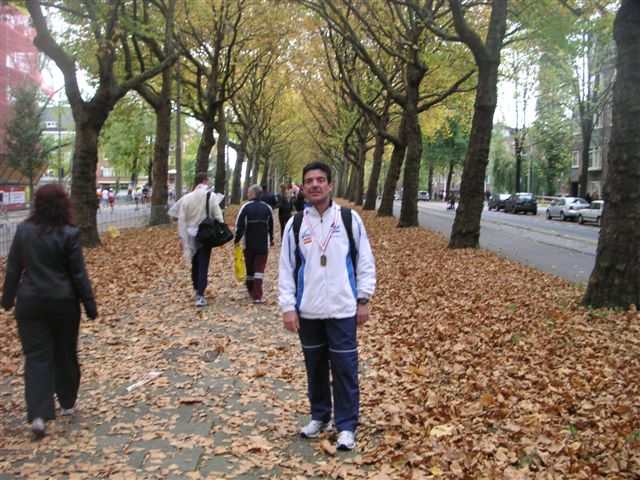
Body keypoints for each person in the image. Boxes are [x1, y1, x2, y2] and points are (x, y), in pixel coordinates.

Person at [278, 161, 376, 451]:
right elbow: (286, 268)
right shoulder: (296, 224)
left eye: (320, 180)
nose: (315, 185)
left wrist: (363, 299)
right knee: (315, 368)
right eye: (309, 181)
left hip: (342, 309)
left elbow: (364, 260)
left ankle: (346, 425)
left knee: (345, 369)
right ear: (303, 188)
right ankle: (320, 416)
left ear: (330, 185)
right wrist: (288, 307)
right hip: (308, 311)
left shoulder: (348, 219)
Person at [1, 185, 98, 438]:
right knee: (65, 352)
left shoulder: (23, 231)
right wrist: (89, 305)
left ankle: (38, 415)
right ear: (64, 205)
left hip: (30, 302)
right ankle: (67, 402)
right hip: (63, 302)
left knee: (36, 356)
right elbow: (78, 274)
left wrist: (7, 299)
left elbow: (14, 268)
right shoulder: (70, 233)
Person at [167, 172, 223, 307]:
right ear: (205, 181)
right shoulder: (211, 196)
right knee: (203, 264)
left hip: (191, 234)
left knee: (195, 263)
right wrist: (220, 230)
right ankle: (200, 295)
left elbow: (181, 220)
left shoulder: (187, 198)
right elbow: (218, 215)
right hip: (206, 234)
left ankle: (196, 288)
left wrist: (181, 237)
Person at [234, 185, 274, 304]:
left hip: (249, 244)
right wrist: (271, 239)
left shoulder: (246, 207)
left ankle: (251, 289)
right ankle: (257, 295)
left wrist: (237, 239)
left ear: (253, 194)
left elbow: (240, 225)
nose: (247, 194)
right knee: (259, 269)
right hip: (263, 244)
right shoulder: (267, 208)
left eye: (248, 192)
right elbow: (271, 225)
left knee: (250, 268)